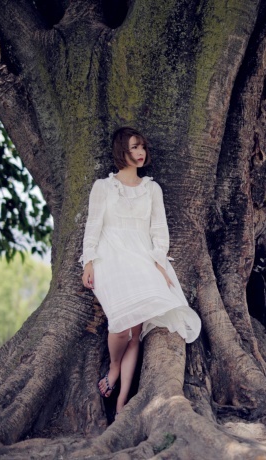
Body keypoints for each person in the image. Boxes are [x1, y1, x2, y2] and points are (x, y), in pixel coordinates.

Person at [81, 127, 201, 415]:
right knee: (120, 327)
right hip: (109, 258)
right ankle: (113, 366)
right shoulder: (103, 187)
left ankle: (122, 398)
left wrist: (159, 262)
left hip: (141, 258)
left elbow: (159, 229)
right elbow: (93, 225)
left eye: (143, 147)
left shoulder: (151, 188)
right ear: (121, 149)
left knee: (136, 333)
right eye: (134, 147)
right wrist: (87, 261)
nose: (140, 152)